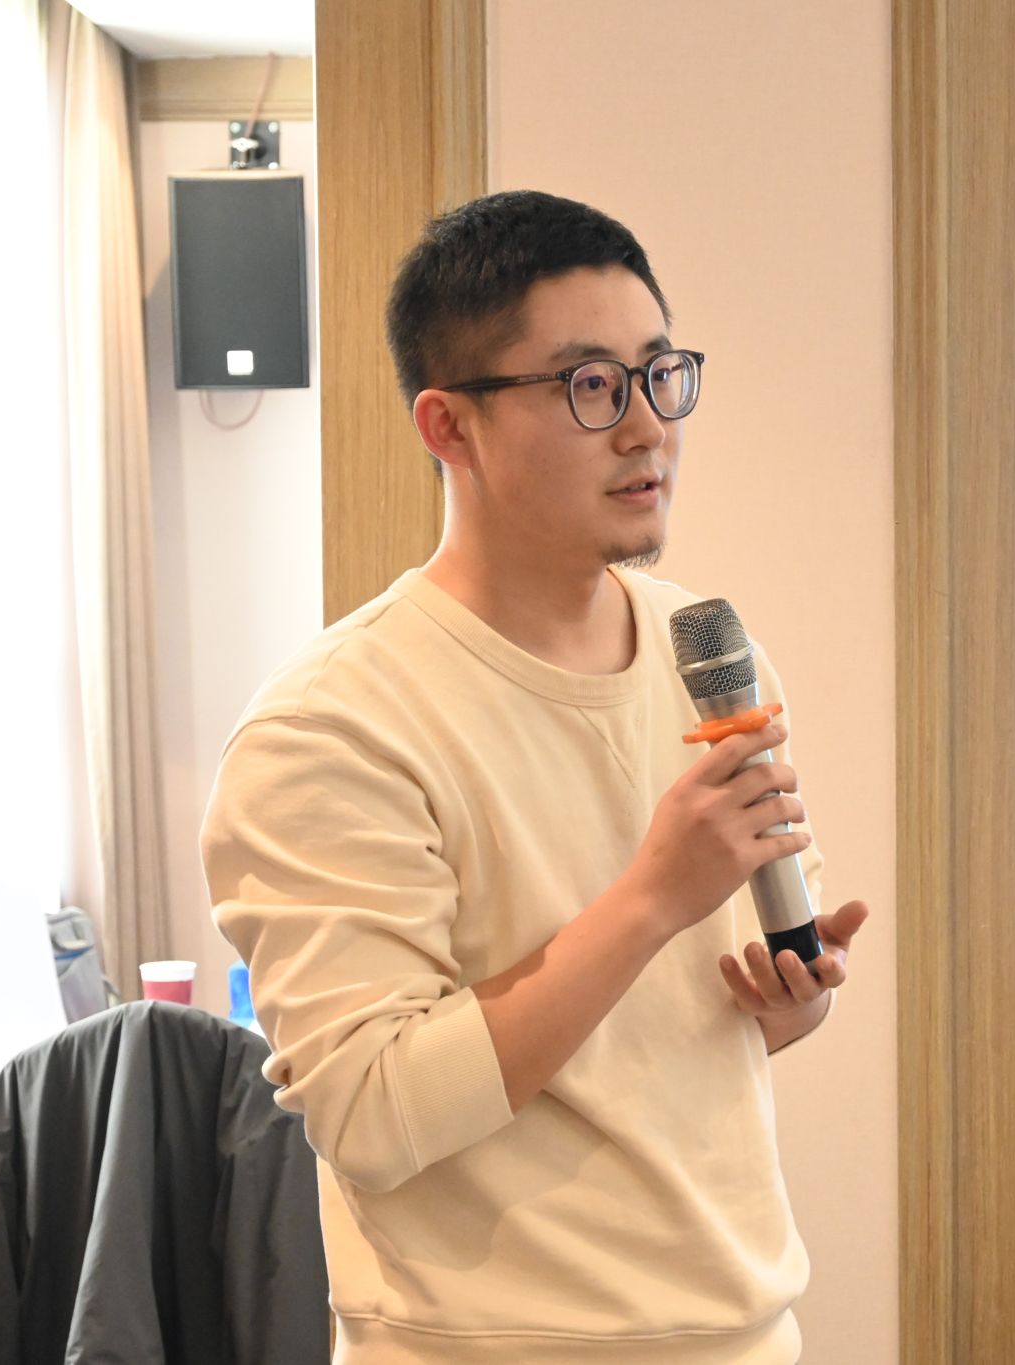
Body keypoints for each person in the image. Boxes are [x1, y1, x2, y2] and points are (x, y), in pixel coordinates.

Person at [201, 189, 870, 1364]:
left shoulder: (708, 654)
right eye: (588, 385)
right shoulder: (331, 726)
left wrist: (788, 999)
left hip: (742, 1326)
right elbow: (372, 1114)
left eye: (658, 374)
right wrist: (651, 898)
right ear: (448, 427)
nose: (644, 427)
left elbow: (682, 1035)